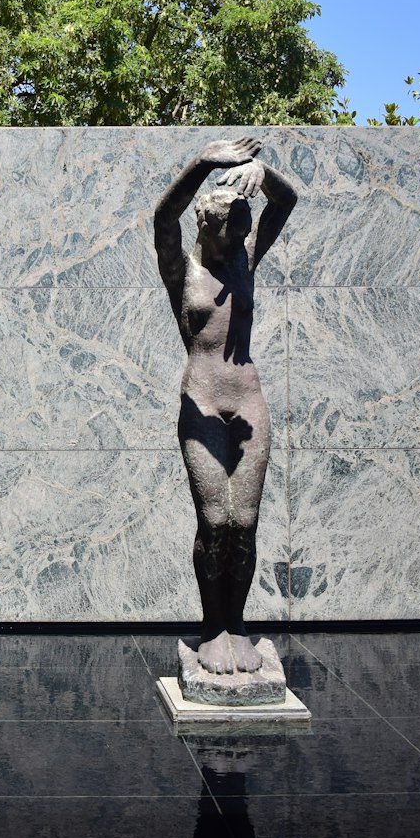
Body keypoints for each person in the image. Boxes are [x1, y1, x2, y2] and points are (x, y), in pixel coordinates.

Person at [153, 136, 296, 675]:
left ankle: (237, 627)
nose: (236, 239)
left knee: (247, 521)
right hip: (203, 402)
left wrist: (262, 171)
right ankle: (212, 627)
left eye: (242, 229)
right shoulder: (182, 272)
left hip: (248, 399)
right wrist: (201, 162)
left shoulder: (245, 259)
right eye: (227, 230)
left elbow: (286, 203)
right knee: (215, 519)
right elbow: (160, 219)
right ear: (205, 227)